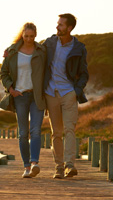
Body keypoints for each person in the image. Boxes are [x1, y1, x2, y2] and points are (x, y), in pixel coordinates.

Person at [43, 13, 89, 179]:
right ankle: (59, 168)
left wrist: (76, 90)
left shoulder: (78, 48)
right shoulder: (49, 43)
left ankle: (70, 166)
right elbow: (32, 50)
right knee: (56, 133)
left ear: (69, 28)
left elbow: (84, 73)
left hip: (68, 93)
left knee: (70, 130)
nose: (57, 27)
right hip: (50, 93)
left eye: (61, 25)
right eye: (58, 23)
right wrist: (11, 50)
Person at [0, 23, 46, 178]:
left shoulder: (41, 51)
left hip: (37, 96)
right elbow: (4, 73)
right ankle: (26, 167)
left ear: (35, 35)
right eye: (26, 36)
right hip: (20, 96)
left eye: (32, 36)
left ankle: (34, 164)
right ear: (22, 35)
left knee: (36, 130)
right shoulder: (12, 51)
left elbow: (47, 71)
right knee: (23, 133)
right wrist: (11, 90)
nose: (29, 39)